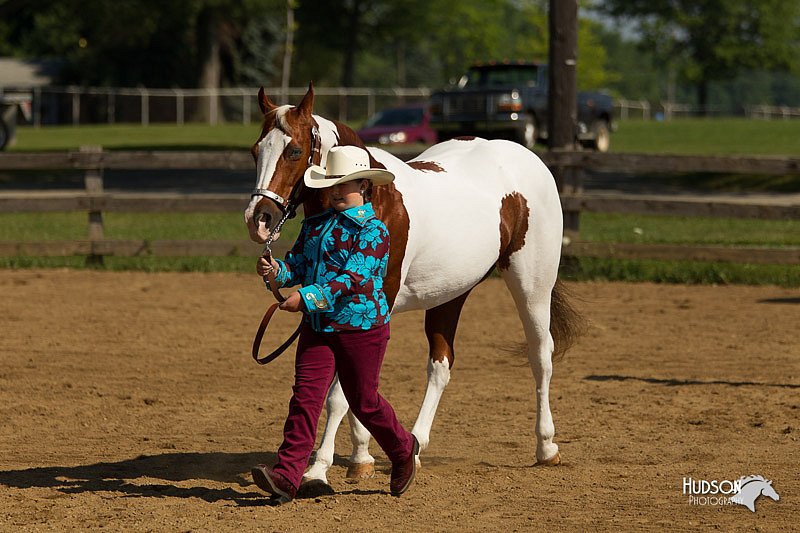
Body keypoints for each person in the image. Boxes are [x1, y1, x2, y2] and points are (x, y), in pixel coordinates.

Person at [251, 145, 418, 503]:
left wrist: (305, 299)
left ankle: (404, 450)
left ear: (365, 186)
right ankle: (286, 476)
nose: (338, 190)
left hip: (362, 329)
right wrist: (277, 271)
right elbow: (298, 264)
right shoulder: (315, 225)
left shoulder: (374, 232)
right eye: (333, 184)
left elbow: (351, 279)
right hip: (319, 328)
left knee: (365, 402)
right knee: (306, 399)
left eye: (346, 184)